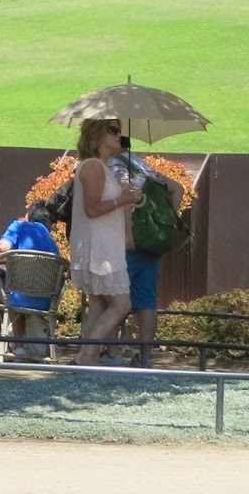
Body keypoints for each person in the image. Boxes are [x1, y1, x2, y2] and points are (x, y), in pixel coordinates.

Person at [68, 117, 141, 366]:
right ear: (97, 135)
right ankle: (86, 355)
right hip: (99, 250)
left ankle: (85, 357)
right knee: (122, 304)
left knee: (99, 304)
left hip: (104, 247)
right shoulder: (93, 167)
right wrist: (124, 199)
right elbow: (92, 209)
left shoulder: (102, 166)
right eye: (113, 130)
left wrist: (126, 196)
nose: (119, 135)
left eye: (119, 130)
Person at [107, 143, 184, 366]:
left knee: (114, 297)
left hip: (131, 243)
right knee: (147, 301)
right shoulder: (143, 166)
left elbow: (125, 194)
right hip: (154, 241)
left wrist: (128, 232)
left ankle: (112, 354)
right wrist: (164, 223)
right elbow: (178, 188)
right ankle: (144, 357)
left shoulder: (116, 165)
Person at [0, 213, 62, 357]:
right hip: (44, 302)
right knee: (15, 287)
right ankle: (20, 346)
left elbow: (2, 248)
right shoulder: (52, 244)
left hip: (17, 296)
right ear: (51, 225)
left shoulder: (18, 226)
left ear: (29, 217)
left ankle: (2, 347)